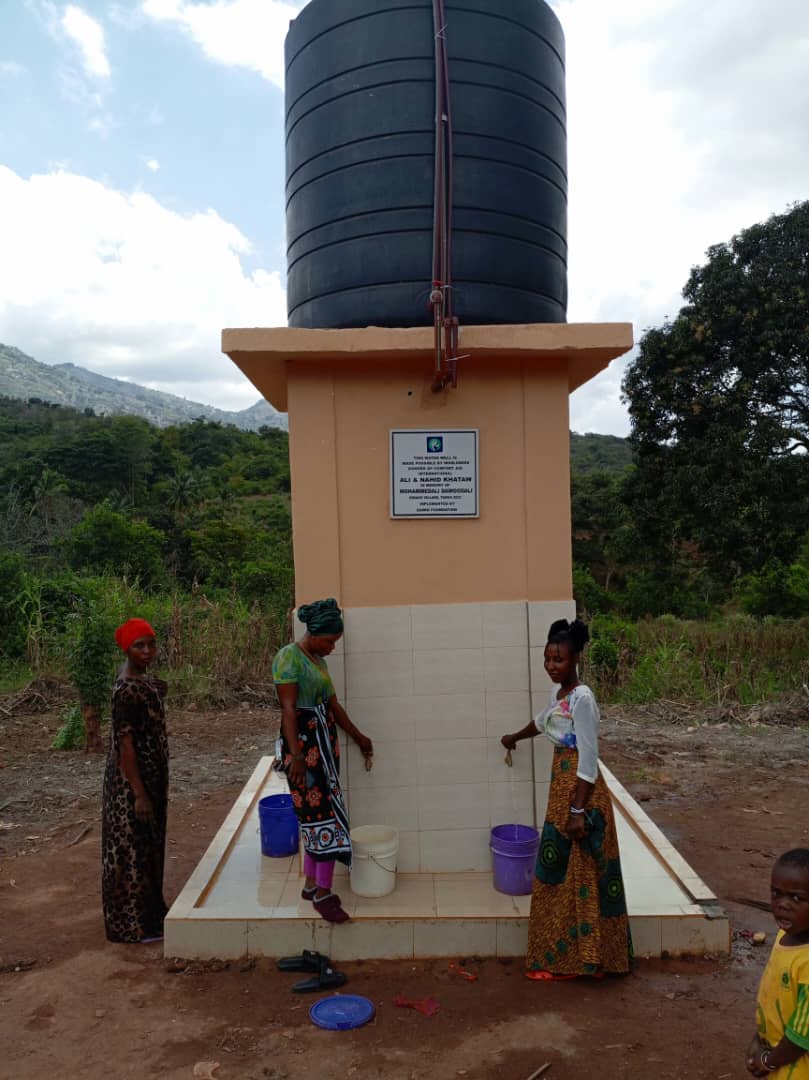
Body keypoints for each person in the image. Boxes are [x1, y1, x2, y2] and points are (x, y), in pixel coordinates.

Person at [501, 618, 632, 979]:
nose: (551, 665)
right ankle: (567, 958)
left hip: (580, 793)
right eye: (547, 659)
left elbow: (589, 758)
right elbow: (544, 721)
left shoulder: (583, 698)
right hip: (562, 789)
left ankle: (590, 960)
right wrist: (514, 737)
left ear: (575, 658)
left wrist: (577, 810)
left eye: (558, 659)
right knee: (558, 872)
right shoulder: (560, 694)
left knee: (582, 873)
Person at [272, 598, 373, 924]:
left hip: (324, 749)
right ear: (313, 634)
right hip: (303, 749)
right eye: (329, 641)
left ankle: (311, 885)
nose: (332, 648)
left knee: (318, 817)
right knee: (321, 818)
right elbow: (288, 710)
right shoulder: (288, 658)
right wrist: (296, 756)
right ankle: (323, 894)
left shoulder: (318, 661)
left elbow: (333, 706)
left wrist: (359, 737)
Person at [101, 618, 169, 944]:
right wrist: (139, 793)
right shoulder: (126, 690)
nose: (147, 651)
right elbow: (125, 745)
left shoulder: (139, 679)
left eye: (151, 644)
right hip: (132, 784)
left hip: (149, 779)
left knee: (149, 847)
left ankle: (151, 915)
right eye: (138, 646)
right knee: (131, 853)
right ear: (126, 649)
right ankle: (132, 926)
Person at [746, 849, 809, 1077]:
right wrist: (759, 1037)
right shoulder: (784, 936)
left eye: (796, 898)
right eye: (776, 894)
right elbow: (773, 999)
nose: (782, 905)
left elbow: (801, 1036)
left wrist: (768, 1061)